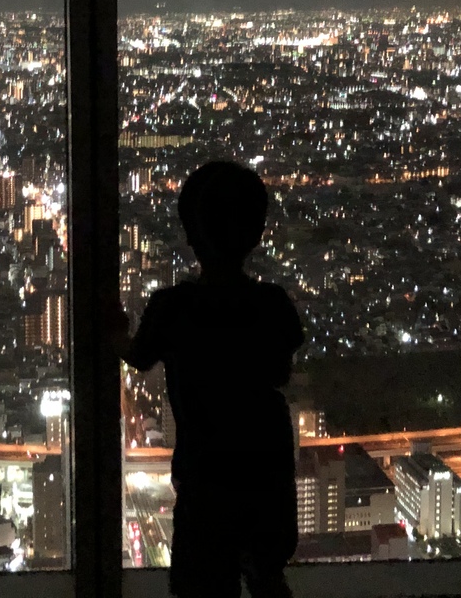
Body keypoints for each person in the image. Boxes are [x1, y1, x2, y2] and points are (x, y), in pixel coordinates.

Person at [114, 161, 304, 598]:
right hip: (265, 466)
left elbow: (136, 355)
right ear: (256, 233)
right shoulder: (273, 305)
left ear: (190, 233)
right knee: (268, 579)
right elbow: (282, 371)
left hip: (207, 474)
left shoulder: (172, 308)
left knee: (201, 586)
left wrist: (114, 332)